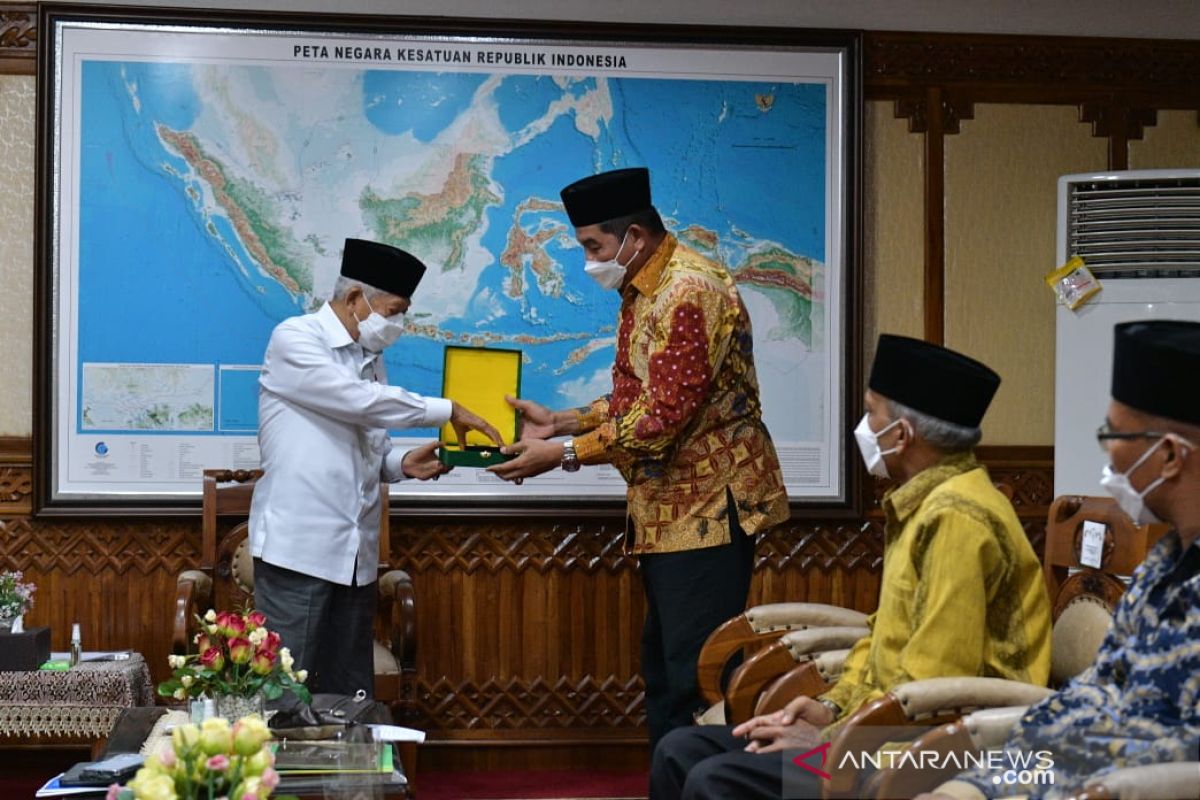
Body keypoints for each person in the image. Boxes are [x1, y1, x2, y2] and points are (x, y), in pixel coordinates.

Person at [650, 334, 1053, 800]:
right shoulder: (924, 503)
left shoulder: (959, 519)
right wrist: (829, 708)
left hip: (946, 747)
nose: (863, 425)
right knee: (680, 749)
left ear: (901, 435)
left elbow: (932, 685)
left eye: (872, 412)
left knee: (715, 779)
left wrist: (829, 742)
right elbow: (884, 640)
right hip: (890, 729)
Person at [488, 167, 789, 749]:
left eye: (592, 246)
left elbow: (661, 418)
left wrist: (564, 452)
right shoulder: (645, 287)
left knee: (696, 680)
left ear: (634, 236)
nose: (588, 260)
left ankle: (708, 788)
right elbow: (636, 395)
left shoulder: (689, 290)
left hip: (708, 512)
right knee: (665, 672)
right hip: (668, 516)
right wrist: (565, 420)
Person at [920, 320, 1200, 800]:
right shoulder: (1166, 564)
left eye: (1113, 433)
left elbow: (1163, 753)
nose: (1108, 452)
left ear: (1170, 455)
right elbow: (1096, 697)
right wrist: (979, 786)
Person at [248, 237, 501, 696]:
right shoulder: (295, 338)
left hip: (355, 558)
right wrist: (448, 410)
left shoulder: (371, 360)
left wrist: (403, 464)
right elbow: (357, 402)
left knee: (348, 698)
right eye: (392, 310)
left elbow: (369, 449)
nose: (397, 323)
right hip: (299, 552)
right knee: (285, 697)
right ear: (352, 299)